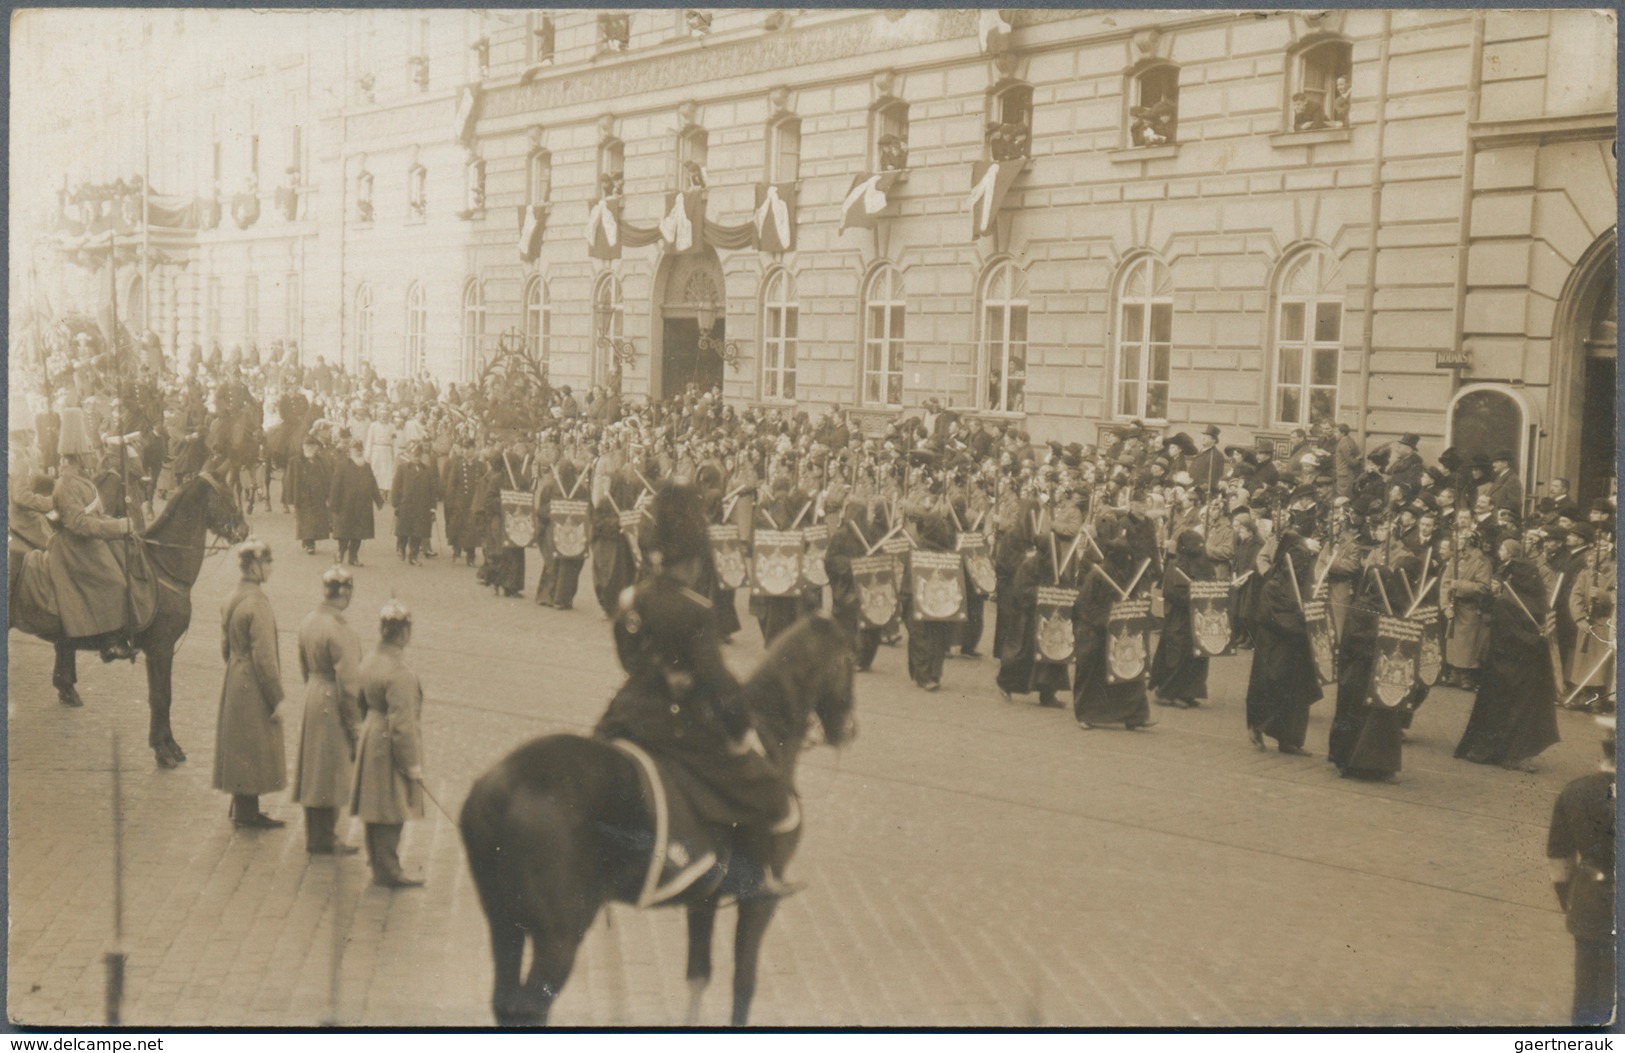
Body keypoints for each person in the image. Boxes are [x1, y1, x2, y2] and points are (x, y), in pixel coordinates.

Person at [595, 482, 799, 900]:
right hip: (674, 723)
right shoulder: (696, 610)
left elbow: (628, 657)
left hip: (624, 715)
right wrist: (740, 727)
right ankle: (750, 878)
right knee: (764, 787)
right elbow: (717, 682)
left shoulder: (633, 599)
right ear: (692, 561)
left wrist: (655, 675)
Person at [1454, 539, 1560, 771]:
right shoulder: (1506, 602)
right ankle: (1502, 753)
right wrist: (1536, 639)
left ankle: (1517, 753)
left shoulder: (1534, 601)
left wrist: (1542, 637)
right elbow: (1508, 635)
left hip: (1527, 668)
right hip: (1506, 667)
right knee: (1504, 711)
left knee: (1524, 713)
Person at [350, 600, 427, 888]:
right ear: (404, 633)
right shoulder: (400, 674)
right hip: (389, 744)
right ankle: (389, 869)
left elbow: (358, 702)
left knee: (375, 805)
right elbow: (403, 726)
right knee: (392, 808)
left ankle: (378, 863)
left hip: (371, 733)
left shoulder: (369, 660)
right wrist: (412, 765)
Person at [1545, 715, 1616, 1025]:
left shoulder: (1575, 790)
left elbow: (1558, 856)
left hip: (1588, 898)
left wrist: (1567, 899)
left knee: (1587, 992)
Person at [212, 539, 287, 829]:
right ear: (255, 566)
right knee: (253, 744)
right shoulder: (258, 602)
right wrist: (276, 697)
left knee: (240, 743)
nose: (271, 568)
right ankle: (246, 813)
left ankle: (243, 807)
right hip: (253, 680)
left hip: (235, 673)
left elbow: (224, 648)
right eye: (267, 562)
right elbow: (265, 657)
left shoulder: (233, 596)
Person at [293, 565, 363, 855]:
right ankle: (325, 836)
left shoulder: (309, 620)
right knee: (330, 769)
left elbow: (302, 665)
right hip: (332, 699)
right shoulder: (338, 628)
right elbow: (349, 684)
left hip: (312, 693)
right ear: (344, 593)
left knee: (314, 768)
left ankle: (316, 833)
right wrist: (356, 725)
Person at [1244, 532, 1323, 755]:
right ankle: (1259, 727)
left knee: (1297, 692)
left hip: (1296, 647)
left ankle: (1289, 740)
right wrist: (1299, 622)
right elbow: (1274, 618)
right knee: (1275, 686)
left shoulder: (1303, 587)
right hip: (1275, 648)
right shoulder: (1274, 585)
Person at [1326, 566, 1406, 781]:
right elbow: (1354, 641)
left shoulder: (1394, 610)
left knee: (1380, 720)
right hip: (1360, 672)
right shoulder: (1361, 609)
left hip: (1381, 672)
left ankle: (1378, 765)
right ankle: (1349, 762)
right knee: (1358, 717)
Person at [1149, 529, 1213, 709]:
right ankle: (1167, 692)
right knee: (1178, 653)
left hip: (1198, 617)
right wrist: (1193, 596)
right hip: (1180, 616)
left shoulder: (1204, 564)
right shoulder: (1175, 565)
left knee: (1197, 655)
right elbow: (1170, 591)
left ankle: (1189, 692)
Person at [329, 439, 384, 567]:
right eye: (356, 449)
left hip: (363, 505)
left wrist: (378, 500)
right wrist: (334, 503)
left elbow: (373, 484)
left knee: (359, 533)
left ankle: (353, 557)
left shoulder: (366, 466)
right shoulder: (342, 465)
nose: (359, 452)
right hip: (346, 505)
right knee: (344, 532)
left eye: (360, 449)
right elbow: (335, 486)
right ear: (350, 451)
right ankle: (340, 553)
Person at [390, 442, 438, 565]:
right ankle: (401, 547)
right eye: (414, 455)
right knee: (404, 531)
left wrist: (433, 507)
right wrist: (396, 503)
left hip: (422, 507)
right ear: (410, 455)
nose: (416, 458)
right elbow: (396, 487)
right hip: (406, 505)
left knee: (418, 533)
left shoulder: (427, 470)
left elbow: (432, 490)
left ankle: (414, 556)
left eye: (419, 455)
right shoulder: (403, 468)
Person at [286, 434, 333, 555]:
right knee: (305, 520)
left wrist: (329, 496)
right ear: (302, 447)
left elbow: (328, 479)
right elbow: (288, 482)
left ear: (317, 447)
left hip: (318, 496)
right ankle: (309, 543)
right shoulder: (295, 462)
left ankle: (307, 540)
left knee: (316, 521)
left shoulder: (322, 461)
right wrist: (289, 501)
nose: (309, 448)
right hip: (302, 497)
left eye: (312, 446)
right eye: (307, 445)